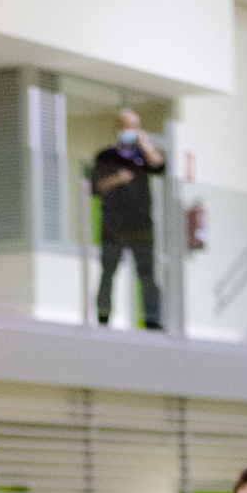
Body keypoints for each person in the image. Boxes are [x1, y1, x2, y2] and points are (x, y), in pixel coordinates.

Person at [92, 110, 165, 330]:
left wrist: (146, 144)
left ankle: (153, 321)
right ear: (117, 127)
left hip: (141, 225)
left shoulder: (143, 156)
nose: (128, 131)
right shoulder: (106, 156)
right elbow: (95, 187)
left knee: (147, 275)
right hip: (113, 225)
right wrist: (117, 179)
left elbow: (159, 167)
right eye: (125, 126)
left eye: (133, 126)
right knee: (108, 273)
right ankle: (103, 319)